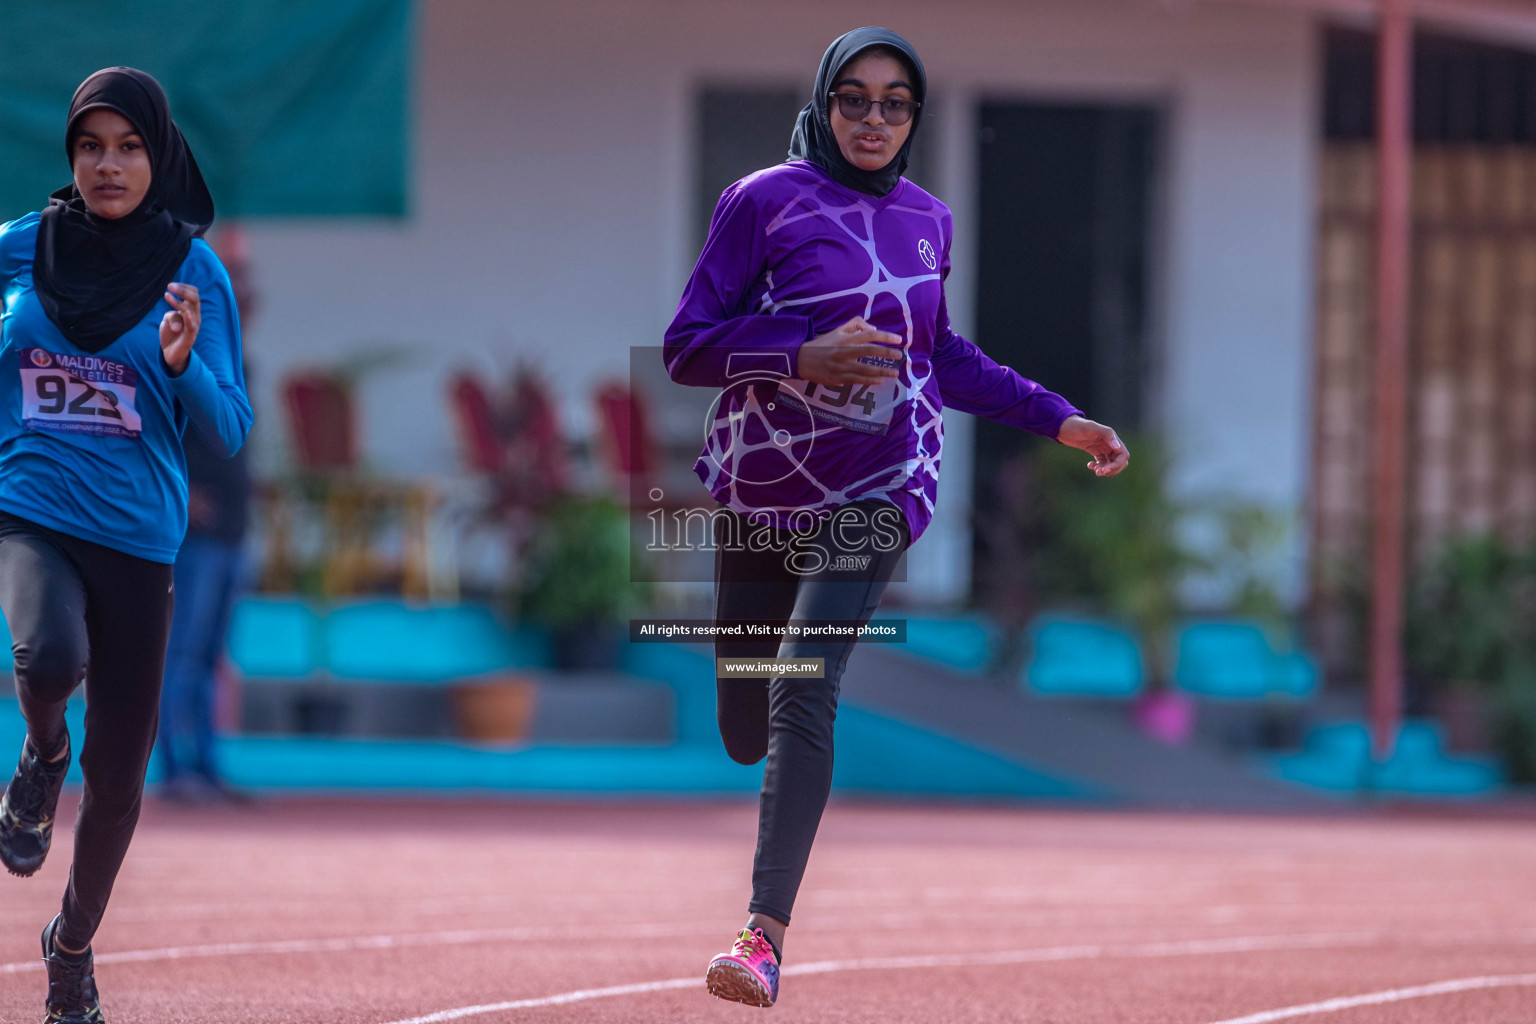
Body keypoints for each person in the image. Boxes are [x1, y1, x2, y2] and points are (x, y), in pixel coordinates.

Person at [664, 27, 1128, 1008]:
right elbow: (686, 347)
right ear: (826, 103)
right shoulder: (763, 202)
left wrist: (1057, 416)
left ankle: (761, 938)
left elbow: (941, 357)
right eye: (856, 99)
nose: (874, 119)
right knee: (746, 723)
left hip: (881, 480)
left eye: (896, 103)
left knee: (802, 686)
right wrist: (802, 353)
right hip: (763, 487)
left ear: (914, 117)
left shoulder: (928, 221)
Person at [0, 67, 251, 1023]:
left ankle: (70, 951)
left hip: (139, 541)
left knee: (118, 784)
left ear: (161, 154)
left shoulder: (197, 274)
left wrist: (182, 371)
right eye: (91, 146)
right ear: (70, 156)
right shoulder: (21, 248)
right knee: (50, 653)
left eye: (130, 146)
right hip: (30, 507)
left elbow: (228, 429)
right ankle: (38, 755)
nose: (109, 164)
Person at [157, 225, 256, 804]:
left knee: (214, 652)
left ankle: (208, 764)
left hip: (233, 528)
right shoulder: (177, 349)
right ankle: (175, 766)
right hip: (193, 529)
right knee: (184, 650)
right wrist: (183, 490)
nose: (243, 287)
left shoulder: (240, 359)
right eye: (234, 274)